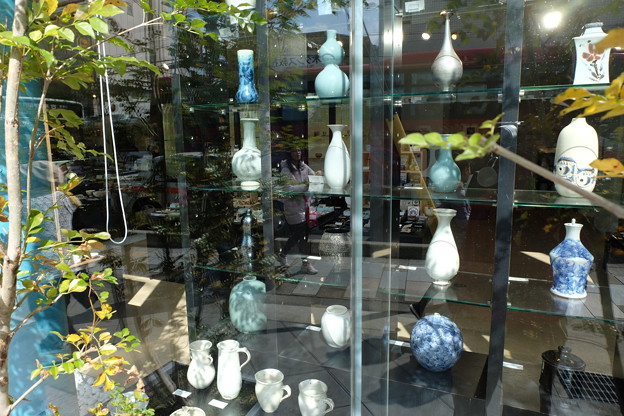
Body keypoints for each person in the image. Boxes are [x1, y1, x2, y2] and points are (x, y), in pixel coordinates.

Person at [278, 147, 321, 275]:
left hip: (305, 206)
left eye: (299, 150)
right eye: (294, 151)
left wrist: (318, 174)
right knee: (301, 236)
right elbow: (289, 189)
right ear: (289, 153)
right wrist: (306, 186)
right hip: (293, 208)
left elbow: (313, 176)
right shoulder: (285, 170)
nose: (297, 153)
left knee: (300, 235)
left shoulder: (303, 166)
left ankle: (283, 255)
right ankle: (305, 264)